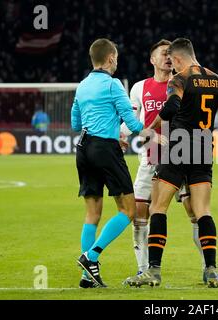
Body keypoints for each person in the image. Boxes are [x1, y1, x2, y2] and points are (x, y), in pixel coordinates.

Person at [126, 38, 218, 288]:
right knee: (203, 212)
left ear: (177, 59)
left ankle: (153, 271)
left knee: (158, 208)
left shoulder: (179, 79)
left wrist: (151, 128)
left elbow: (171, 107)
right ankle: (210, 269)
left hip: (177, 146)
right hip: (203, 150)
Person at [71, 38, 150, 288]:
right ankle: (91, 257)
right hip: (105, 149)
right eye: (116, 57)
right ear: (111, 58)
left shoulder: (82, 86)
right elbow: (134, 123)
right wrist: (154, 130)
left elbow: (75, 124)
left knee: (92, 213)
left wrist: (106, 124)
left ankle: (87, 277)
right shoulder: (113, 84)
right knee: (128, 210)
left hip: (83, 149)